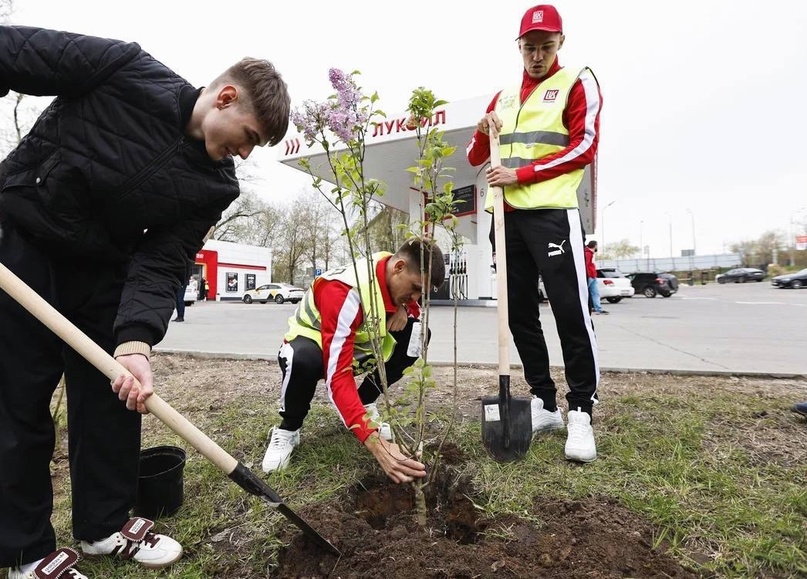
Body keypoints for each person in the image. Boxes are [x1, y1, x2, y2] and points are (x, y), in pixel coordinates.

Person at [0, 25, 290, 579]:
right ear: (225, 98)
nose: (246, 152)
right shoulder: (121, 68)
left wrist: (134, 341)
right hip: (23, 247)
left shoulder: (215, 185)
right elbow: (12, 53)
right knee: (16, 404)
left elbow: (163, 260)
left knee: (114, 399)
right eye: (249, 135)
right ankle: (24, 552)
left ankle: (102, 527)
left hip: (104, 274)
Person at [466, 4, 603, 463]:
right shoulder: (502, 96)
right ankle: (545, 402)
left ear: (560, 43)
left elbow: (584, 146)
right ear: (519, 47)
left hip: (549, 215)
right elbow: (473, 157)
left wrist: (521, 177)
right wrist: (484, 131)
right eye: (529, 47)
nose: (537, 55)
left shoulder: (576, 81)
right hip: (503, 220)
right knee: (519, 314)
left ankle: (581, 409)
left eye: (546, 46)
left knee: (569, 311)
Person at [261, 239, 445, 484]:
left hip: (356, 343)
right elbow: (337, 376)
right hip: (314, 341)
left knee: (418, 334)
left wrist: (405, 307)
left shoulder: (392, 270)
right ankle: (288, 429)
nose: (416, 298)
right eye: (415, 289)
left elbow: (412, 308)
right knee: (302, 360)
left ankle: (364, 403)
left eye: (421, 293)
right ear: (399, 267)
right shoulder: (345, 291)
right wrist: (376, 444)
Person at [585, 240, 607, 315]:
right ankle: (596, 308)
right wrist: (588, 275)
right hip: (590, 276)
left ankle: (598, 309)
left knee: (595, 293)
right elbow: (586, 265)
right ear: (594, 245)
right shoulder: (588, 254)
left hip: (592, 276)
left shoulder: (591, 254)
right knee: (588, 293)